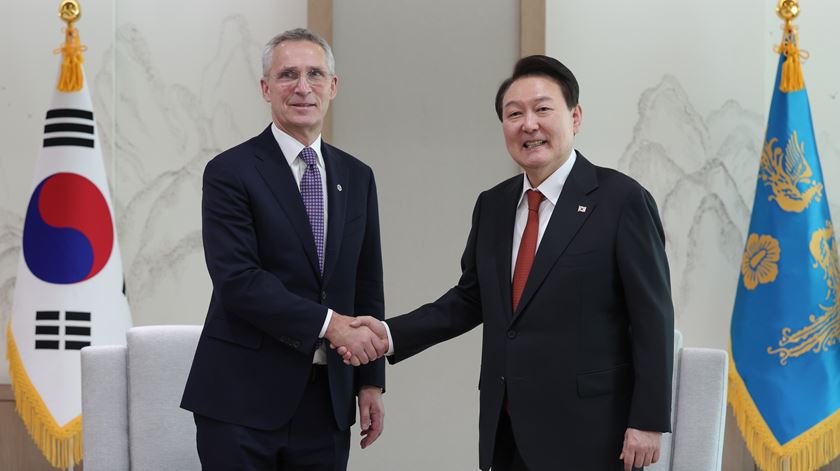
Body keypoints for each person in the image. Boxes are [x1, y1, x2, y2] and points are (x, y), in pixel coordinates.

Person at [340, 55, 674, 471]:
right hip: (508, 428)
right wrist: (389, 334)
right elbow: (470, 299)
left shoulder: (621, 200)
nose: (528, 124)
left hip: (592, 431)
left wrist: (648, 421)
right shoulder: (494, 205)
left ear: (575, 117)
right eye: (514, 114)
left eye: (542, 109)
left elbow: (653, 317)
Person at [181, 28, 388, 470]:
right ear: (266, 88)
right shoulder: (230, 172)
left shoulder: (357, 176)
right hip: (240, 402)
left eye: (315, 74)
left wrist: (370, 382)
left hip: (327, 401)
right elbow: (238, 280)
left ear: (332, 87)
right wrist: (330, 325)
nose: (302, 87)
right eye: (287, 74)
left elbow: (366, 283)